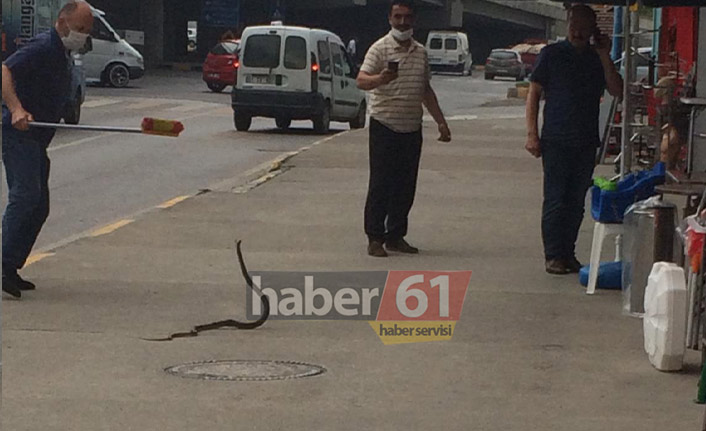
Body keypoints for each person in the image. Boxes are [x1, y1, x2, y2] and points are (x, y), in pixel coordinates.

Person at [1, 0, 94, 298]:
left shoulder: (62, 52)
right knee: (26, 195)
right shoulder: (43, 46)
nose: (83, 35)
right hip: (19, 134)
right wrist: (16, 109)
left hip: (38, 138)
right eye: (80, 29)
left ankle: (11, 266)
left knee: (40, 206)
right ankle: (2, 263)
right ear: (63, 23)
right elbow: (4, 70)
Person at [525, 4, 623, 275]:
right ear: (567, 26)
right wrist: (532, 134)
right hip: (556, 138)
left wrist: (604, 54)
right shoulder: (552, 54)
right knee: (556, 198)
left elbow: (617, 90)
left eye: (583, 26)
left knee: (577, 201)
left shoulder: (596, 58)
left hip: (585, 140)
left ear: (593, 29)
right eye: (573, 26)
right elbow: (534, 93)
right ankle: (553, 255)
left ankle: (568, 252)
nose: (577, 32)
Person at [357, 0, 451, 258]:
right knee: (380, 183)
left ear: (413, 21)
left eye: (407, 17)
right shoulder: (379, 48)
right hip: (384, 125)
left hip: (411, 128)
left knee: (406, 184)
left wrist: (441, 121)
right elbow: (361, 80)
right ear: (389, 18)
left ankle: (396, 235)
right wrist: (381, 79)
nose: (402, 22)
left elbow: (425, 90)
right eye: (397, 17)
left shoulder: (420, 52)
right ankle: (375, 237)